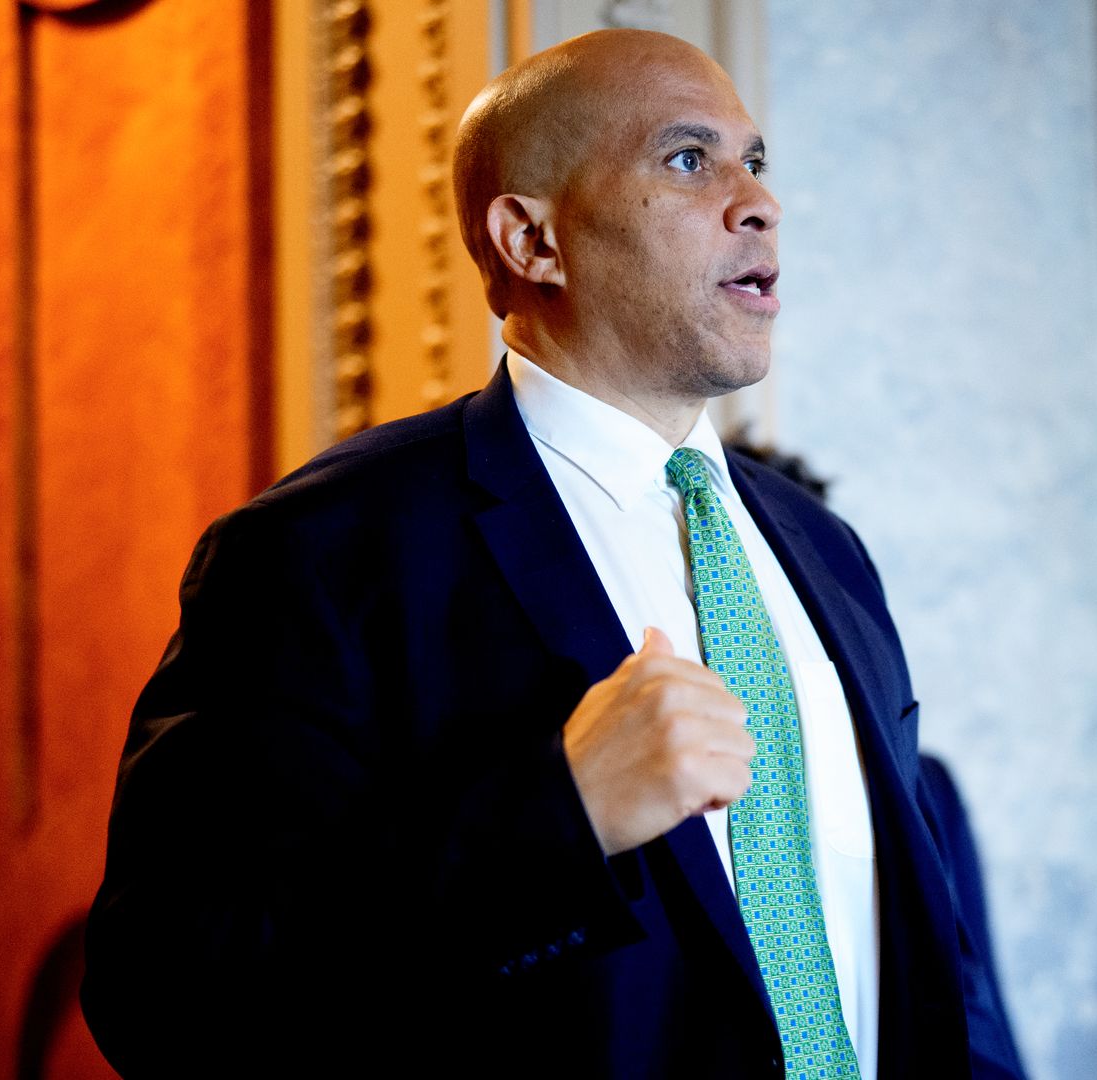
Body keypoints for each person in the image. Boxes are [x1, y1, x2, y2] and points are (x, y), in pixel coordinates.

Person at [81, 28, 1022, 1079]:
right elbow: (169, 993)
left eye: (754, 163)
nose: (759, 203)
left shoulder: (827, 550)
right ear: (532, 242)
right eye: (686, 159)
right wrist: (560, 816)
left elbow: (924, 957)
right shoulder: (319, 554)